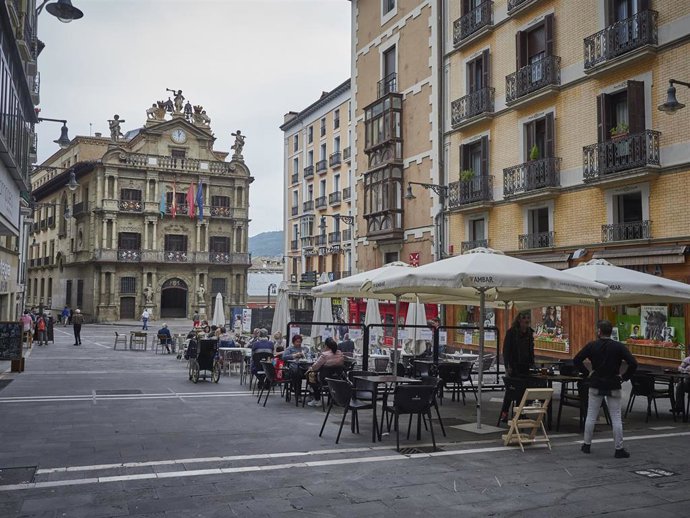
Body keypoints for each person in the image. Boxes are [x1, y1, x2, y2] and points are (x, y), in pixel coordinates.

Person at [574, 320, 638, 458]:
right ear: (611, 331)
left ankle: (586, 444)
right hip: (614, 383)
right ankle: (618, 448)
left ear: (599, 331)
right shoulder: (619, 347)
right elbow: (633, 363)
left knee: (591, 415)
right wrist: (624, 376)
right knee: (616, 417)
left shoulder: (592, 345)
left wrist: (587, 373)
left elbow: (577, 359)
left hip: (596, 382)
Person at [499, 310, 536, 423]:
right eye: (524, 318)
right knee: (511, 390)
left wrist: (532, 362)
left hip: (525, 365)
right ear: (519, 319)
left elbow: (531, 349)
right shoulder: (512, 332)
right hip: (514, 365)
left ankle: (521, 413)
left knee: (524, 390)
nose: (526, 320)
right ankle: (504, 413)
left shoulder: (529, 333)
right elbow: (506, 350)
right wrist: (507, 365)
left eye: (528, 318)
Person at [304, 337, 345, 407]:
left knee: (309, 375)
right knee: (313, 376)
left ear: (326, 346)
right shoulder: (340, 353)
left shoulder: (324, 355)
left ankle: (317, 398)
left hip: (324, 380)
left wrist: (309, 369)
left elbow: (315, 367)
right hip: (337, 378)